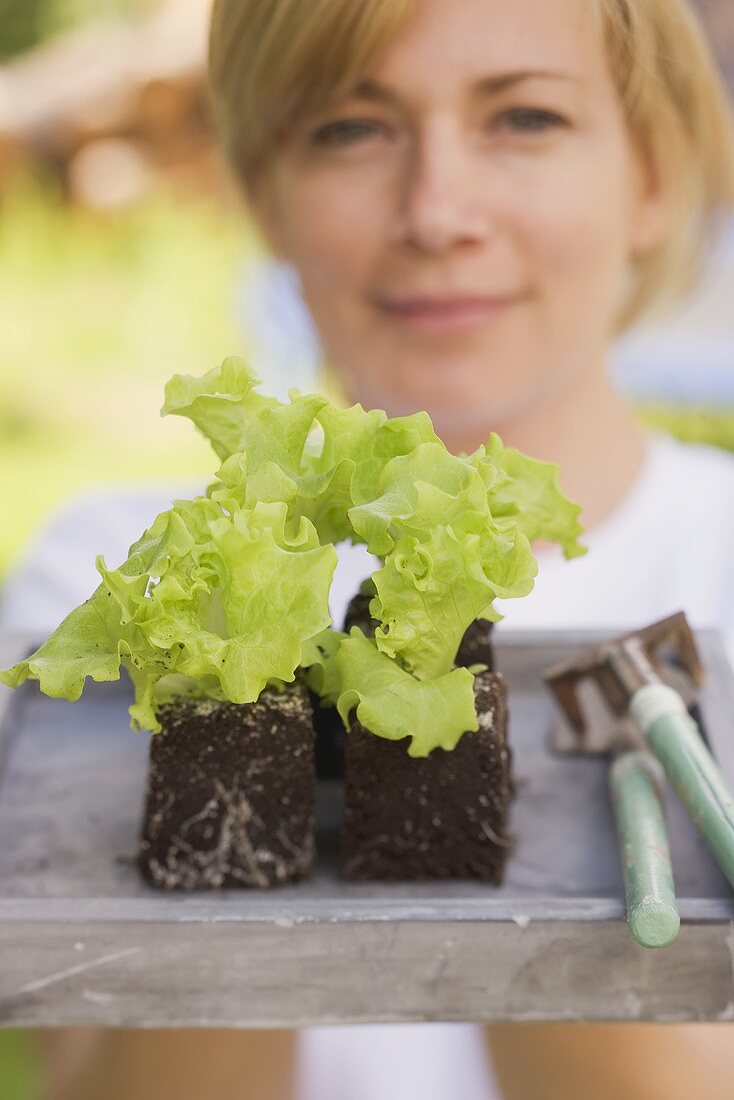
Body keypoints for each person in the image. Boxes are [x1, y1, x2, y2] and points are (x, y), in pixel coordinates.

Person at [4, 0, 734, 1096]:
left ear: (654, 179)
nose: (435, 212)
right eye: (350, 128)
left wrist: (497, 771)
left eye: (524, 118)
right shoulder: (107, 571)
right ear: (263, 195)